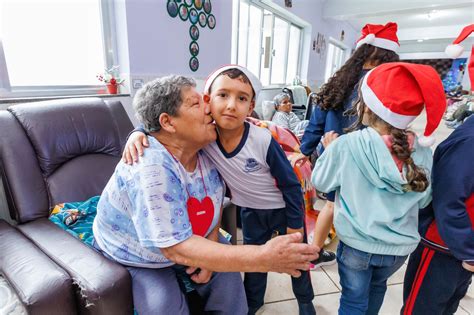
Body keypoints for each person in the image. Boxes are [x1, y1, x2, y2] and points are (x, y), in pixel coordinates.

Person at [93, 75, 319, 315]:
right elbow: (175, 248)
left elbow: (214, 203)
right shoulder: (152, 167)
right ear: (169, 123)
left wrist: (211, 246)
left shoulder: (207, 149)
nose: (210, 107)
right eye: (197, 103)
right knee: (163, 307)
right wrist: (263, 257)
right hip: (142, 256)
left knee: (232, 293)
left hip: (196, 236)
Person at [311, 62, 446, 315]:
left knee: (353, 300)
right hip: (398, 251)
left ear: (367, 107)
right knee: (377, 288)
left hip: (356, 246)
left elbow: (320, 183)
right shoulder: (424, 152)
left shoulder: (347, 145)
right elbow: (425, 199)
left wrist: (329, 151)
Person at [291, 22, 401, 268]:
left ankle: (314, 254)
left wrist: (304, 151)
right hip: (368, 160)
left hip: (333, 155)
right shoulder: (384, 85)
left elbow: (315, 123)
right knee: (361, 205)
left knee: (331, 204)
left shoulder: (340, 81)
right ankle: (361, 257)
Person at [402, 25, 474, 315]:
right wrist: (469, 250)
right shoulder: (470, 141)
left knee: (448, 307)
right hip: (445, 247)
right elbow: (449, 200)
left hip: (464, 249)